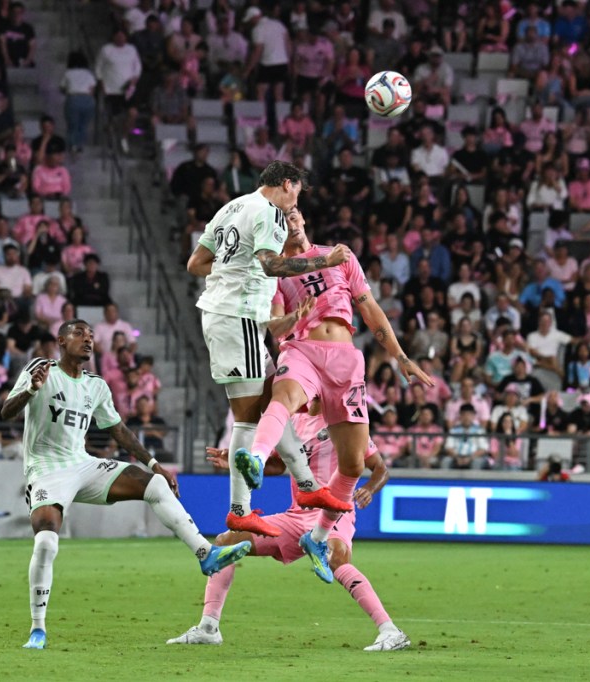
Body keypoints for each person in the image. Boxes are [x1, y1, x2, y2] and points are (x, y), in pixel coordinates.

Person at [0, 319, 251, 650]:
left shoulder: (96, 386)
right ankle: (38, 629)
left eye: (91, 336)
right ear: (61, 340)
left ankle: (205, 553)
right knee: (46, 542)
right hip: (46, 469)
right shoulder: (41, 369)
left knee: (155, 485)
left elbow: (118, 429)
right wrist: (31, 389)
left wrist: (153, 464)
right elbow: (6, 411)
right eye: (79, 334)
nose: (88, 341)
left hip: (82, 463)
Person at [238, 204, 433, 581]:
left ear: (304, 219)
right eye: (283, 218)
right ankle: (256, 458)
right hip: (302, 351)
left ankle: (319, 537)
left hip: (345, 358)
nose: (290, 221)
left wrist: (401, 358)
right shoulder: (277, 270)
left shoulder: (341, 257)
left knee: (354, 465)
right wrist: (292, 319)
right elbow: (275, 327)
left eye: (294, 214)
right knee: (283, 400)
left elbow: (371, 310)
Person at [186, 161, 353, 537]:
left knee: (272, 405)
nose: (296, 202)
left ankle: (308, 487)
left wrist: (231, 270)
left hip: (233, 319)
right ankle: (239, 510)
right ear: (288, 184)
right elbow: (270, 264)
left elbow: (196, 263)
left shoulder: (232, 207)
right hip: (237, 317)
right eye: (297, 192)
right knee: (249, 417)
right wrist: (324, 260)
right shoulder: (269, 214)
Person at [167, 408, 409, 652]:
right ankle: (209, 628)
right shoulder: (293, 421)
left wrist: (368, 488)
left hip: (333, 511)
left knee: (336, 558)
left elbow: (380, 468)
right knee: (224, 542)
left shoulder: (342, 421)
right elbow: (275, 465)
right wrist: (232, 463)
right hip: (296, 516)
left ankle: (390, 631)